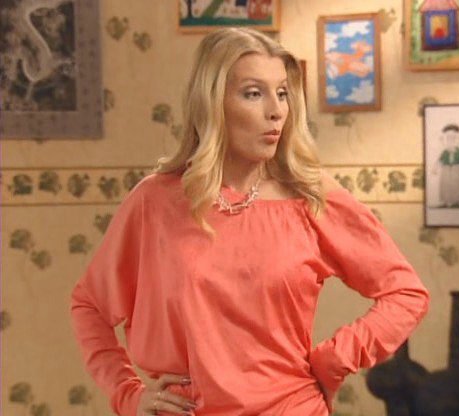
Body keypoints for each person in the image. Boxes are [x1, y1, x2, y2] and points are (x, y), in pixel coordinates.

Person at [69, 27, 430, 416]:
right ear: (212, 103)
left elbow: (406, 293)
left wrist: (335, 359)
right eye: (254, 93)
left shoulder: (309, 196)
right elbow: (90, 306)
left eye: (282, 93)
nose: (276, 111)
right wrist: (128, 393)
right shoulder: (155, 201)